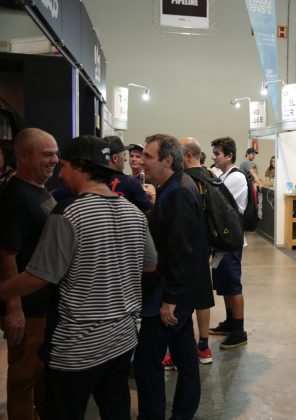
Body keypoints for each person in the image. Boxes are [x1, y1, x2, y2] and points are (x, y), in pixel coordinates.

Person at [0, 135, 157, 419]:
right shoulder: (135, 213)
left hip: (76, 347)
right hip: (123, 339)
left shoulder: (68, 213)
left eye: (65, 166)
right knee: (115, 410)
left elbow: (39, 277)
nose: (61, 173)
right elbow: (149, 265)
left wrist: (4, 290)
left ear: (81, 168)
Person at [134, 134, 210, 420]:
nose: (142, 161)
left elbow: (181, 250)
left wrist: (171, 299)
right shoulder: (173, 187)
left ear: (168, 160)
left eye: (148, 157)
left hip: (168, 293)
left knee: (146, 361)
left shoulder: (178, 191)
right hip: (175, 290)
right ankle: (182, 413)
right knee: (185, 357)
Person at [0, 128, 58, 420]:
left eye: (56, 154)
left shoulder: (39, 189)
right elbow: (7, 254)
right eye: (46, 154)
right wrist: (14, 309)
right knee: (24, 377)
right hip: (29, 307)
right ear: (23, 155)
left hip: (45, 305)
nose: (54, 160)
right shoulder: (15, 195)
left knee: (41, 375)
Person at [208, 137, 249, 349]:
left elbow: (218, 204)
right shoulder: (222, 175)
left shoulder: (236, 177)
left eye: (217, 154)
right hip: (221, 240)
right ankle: (230, 321)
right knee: (224, 284)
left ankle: (239, 330)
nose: (214, 157)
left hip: (230, 240)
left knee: (233, 286)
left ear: (229, 156)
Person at [179, 136, 215, 364]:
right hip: (207, 244)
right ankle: (204, 345)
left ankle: (179, 348)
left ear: (189, 156)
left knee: (181, 298)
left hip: (189, 245)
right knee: (203, 296)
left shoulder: (184, 180)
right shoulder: (212, 176)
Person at [103, 136, 154, 212]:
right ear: (115, 158)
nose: (132, 159)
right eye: (124, 155)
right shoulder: (131, 182)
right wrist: (153, 198)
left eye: (138, 156)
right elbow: (149, 211)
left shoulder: (93, 182)